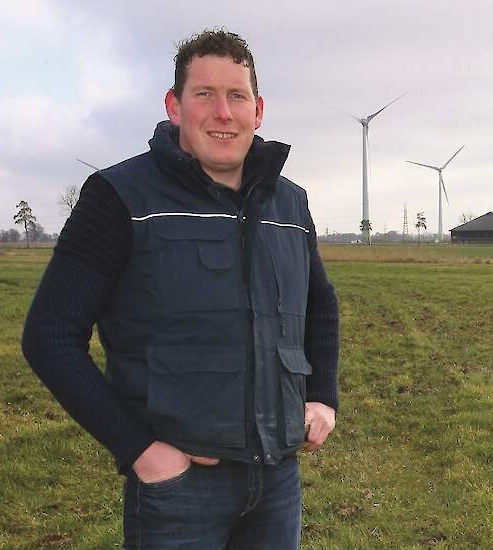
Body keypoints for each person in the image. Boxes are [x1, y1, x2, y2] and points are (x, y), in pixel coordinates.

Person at [22, 28, 338, 549]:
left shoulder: (289, 203)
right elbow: (50, 336)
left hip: (277, 479)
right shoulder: (119, 196)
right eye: (204, 95)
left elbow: (319, 304)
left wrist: (322, 396)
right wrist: (141, 450)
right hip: (180, 487)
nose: (223, 112)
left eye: (237, 96)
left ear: (258, 110)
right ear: (174, 105)